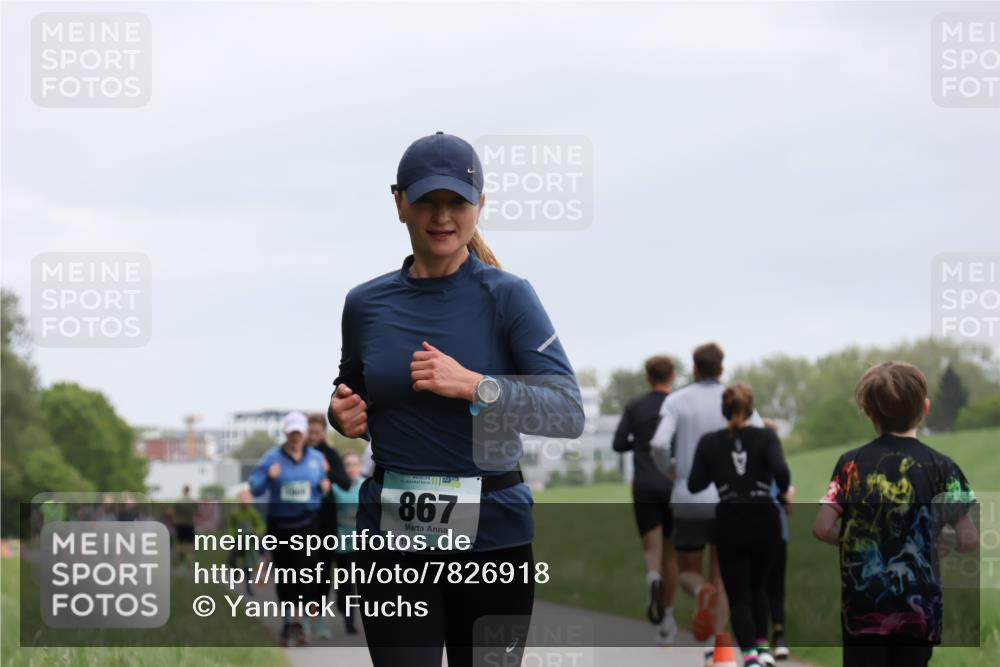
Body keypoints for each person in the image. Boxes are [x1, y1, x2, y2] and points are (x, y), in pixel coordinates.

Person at [327, 131, 585, 667]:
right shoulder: (365, 304)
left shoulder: (508, 295)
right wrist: (342, 413)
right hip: (395, 542)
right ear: (399, 203)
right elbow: (353, 388)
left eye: (456, 202)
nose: (442, 216)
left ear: (480, 206)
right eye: (427, 201)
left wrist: (475, 385)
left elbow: (567, 410)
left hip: (493, 540)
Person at [812, 362, 978, 667]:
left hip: (862, 608)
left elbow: (822, 528)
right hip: (918, 611)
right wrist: (938, 539)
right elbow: (969, 539)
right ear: (925, 408)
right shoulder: (943, 467)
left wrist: (864, 540)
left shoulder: (851, 465)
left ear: (870, 412)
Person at [649, 342, 764, 667]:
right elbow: (758, 436)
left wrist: (672, 470)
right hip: (730, 500)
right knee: (723, 576)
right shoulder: (735, 398)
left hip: (689, 497)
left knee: (687, 571)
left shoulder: (676, 400)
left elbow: (658, 442)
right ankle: (720, 647)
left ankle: (699, 592)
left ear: (694, 368)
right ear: (722, 369)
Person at [688, 384, 790, 667]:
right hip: (765, 518)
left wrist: (718, 471)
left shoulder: (710, 442)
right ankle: (763, 647)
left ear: (724, 409)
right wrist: (784, 492)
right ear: (750, 408)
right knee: (759, 585)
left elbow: (695, 484)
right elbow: (781, 471)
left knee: (738, 594)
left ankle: (750, 656)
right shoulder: (767, 437)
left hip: (731, 520)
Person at [612, 354, 680, 644]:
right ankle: (666, 619)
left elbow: (617, 443)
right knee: (672, 554)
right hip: (673, 482)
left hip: (644, 484)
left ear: (648, 377)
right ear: (672, 376)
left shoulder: (635, 406)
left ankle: (652, 577)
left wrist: (639, 442)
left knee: (651, 550)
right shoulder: (679, 404)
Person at [248, 411, 331, 647]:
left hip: (308, 523)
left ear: (304, 434)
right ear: (286, 433)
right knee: (285, 577)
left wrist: (324, 485)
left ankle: (300, 622)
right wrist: (268, 478)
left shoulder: (315, 458)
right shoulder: (271, 458)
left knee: (306, 574)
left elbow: (323, 486)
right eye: (292, 432)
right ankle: (288, 623)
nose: (296, 437)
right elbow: (255, 487)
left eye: (299, 432)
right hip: (281, 525)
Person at [305, 412, 351, 641]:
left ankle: (319, 618)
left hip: (325, 521)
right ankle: (302, 618)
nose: (312, 436)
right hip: (302, 521)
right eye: (309, 432)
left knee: (323, 571)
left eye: (316, 432)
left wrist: (327, 471)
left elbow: (345, 481)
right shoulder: (296, 452)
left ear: (322, 432)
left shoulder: (329, 454)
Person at [762, 419, 793, 661]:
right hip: (778, 529)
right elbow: (787, 503)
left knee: (757, 584)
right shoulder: (777, 466)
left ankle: (758, 639)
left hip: (751, 527)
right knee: (776, 585)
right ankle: (779, 637)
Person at [332, 451, 365, 635]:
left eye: (354, 464)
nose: (351, 468)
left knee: (352, 583)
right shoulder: (336, 488)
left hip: (358, 543)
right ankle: (340, 600)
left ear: (359, 467)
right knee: (343, 585)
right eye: (347, 465)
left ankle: (349, 622)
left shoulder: (364, 487)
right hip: (339, 542)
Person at [226, 487, 266, 597]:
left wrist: (257, 532)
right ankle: (236, 571)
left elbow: (260, 525)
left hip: (250, 541)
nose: (244, 504)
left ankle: (248, 588)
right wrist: (232, 535)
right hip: (238, 540)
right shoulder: (235, 513)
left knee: (248, 566)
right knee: (231, 558)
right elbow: (231, 525)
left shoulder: (253, 513)